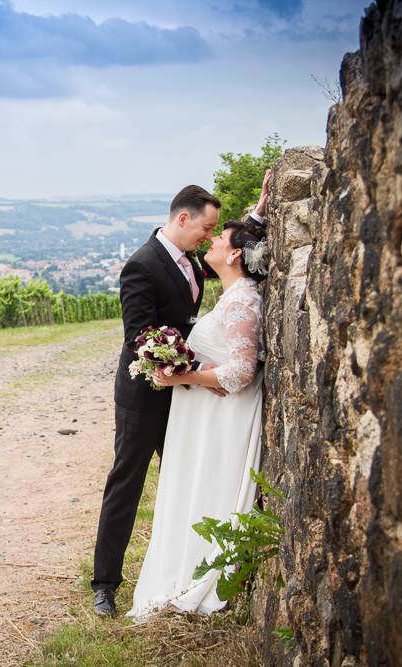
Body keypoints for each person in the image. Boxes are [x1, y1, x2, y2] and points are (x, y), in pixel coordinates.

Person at [91, 172, 270, 618]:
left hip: (187, 397)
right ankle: (105, 584)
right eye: (206, 227)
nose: (209, 236)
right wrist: (188, 373)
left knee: (185, 479)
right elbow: (138, 338)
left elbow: (236, 258)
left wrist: (257, 215)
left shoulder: (192, 259)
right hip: (145, 394)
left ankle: (187, 565)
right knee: (127, 482)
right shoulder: (142, 264)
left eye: (213, 232)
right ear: (183, 219)